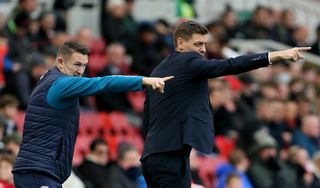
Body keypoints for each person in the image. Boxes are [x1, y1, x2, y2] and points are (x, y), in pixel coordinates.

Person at [140, 20, 311, 188]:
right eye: (198, 44)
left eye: (205, 44)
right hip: (171, 158)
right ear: (180, 43)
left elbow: (147, 117)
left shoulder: (157, 71)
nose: (203, 50)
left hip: (151, 158)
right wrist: (275, 55)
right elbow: (230, 65)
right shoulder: (188, 62)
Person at [11, 40, 173, 188]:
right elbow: (103, 83)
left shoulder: (49, 78)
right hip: (38, 173)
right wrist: (143, 81)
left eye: (84, 65)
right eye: (76, 64)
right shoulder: (61, 84)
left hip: (38, 170)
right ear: (60, 62)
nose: (81, 71)